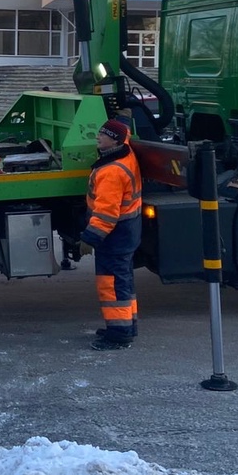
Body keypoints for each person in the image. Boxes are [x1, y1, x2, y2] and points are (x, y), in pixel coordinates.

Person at [79, 118, 143, 351]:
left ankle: (118, 335)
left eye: (102, 134)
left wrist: (89, 239)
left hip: (114, 236)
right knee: (123, 281)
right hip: (126, 232)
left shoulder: (111, 172)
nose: (97, 137)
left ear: (114, 140)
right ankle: (127, 326)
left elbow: (106, 213)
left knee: (112, 285)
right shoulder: (125, 156)